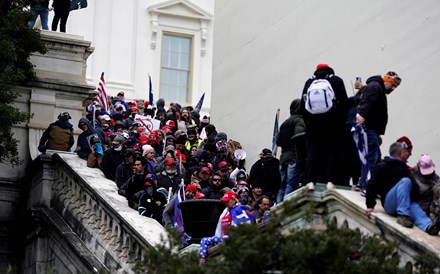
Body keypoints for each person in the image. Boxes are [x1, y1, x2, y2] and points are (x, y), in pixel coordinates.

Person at [365, 142, 439, 235]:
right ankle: (403, 216)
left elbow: (415, 189)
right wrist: (370, 205)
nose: (408, 153)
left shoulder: (405, 169)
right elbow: (372, 184)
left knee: (415, 207)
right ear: (400, 153)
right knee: (406, 181)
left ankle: (428, 226)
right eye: (406, 151)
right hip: (389, 203)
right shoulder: (383, 165)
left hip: (403, 202)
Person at [300, 64, 348, 190]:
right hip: (332, 124)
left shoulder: (309, 82)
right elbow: (344, 103)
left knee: (312, 152)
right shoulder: (336, 80)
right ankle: (331, 181)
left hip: (313, 125)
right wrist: (340, 122)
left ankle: (310, 181)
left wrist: (308, 122)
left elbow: (303, 105)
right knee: (331, 151)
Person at [355, 71, 402, 192]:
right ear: (387, 80)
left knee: (374, 158)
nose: (393, 89)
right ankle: (366, 186)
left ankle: (363, 183)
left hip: (372, 130)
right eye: (393, 85)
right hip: (369, 128)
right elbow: (367, 102)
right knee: (373, 158)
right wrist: (363, 116)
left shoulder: (377, 87)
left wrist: (377, 134)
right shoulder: (375, 87)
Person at [198, 191, 255, 265]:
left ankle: (202, 261)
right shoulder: (225, 211)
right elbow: (219, 228)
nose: (225, 203)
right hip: (223, 239)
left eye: (227, 201)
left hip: (233, 239)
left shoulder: (239, 210)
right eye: (225, 201)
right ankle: (202, 260)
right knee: (204, 240)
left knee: (206, 240)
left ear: (234, 200)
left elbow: (246, 223)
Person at [276, 99, 306, 203]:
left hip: (283, 158)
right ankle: (285, 207)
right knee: (291, 184)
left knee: (283, 185)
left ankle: (278, 206)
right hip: (294, 156)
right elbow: (300, 136)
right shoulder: (299, 121)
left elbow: (278, 141)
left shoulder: (284, 124)